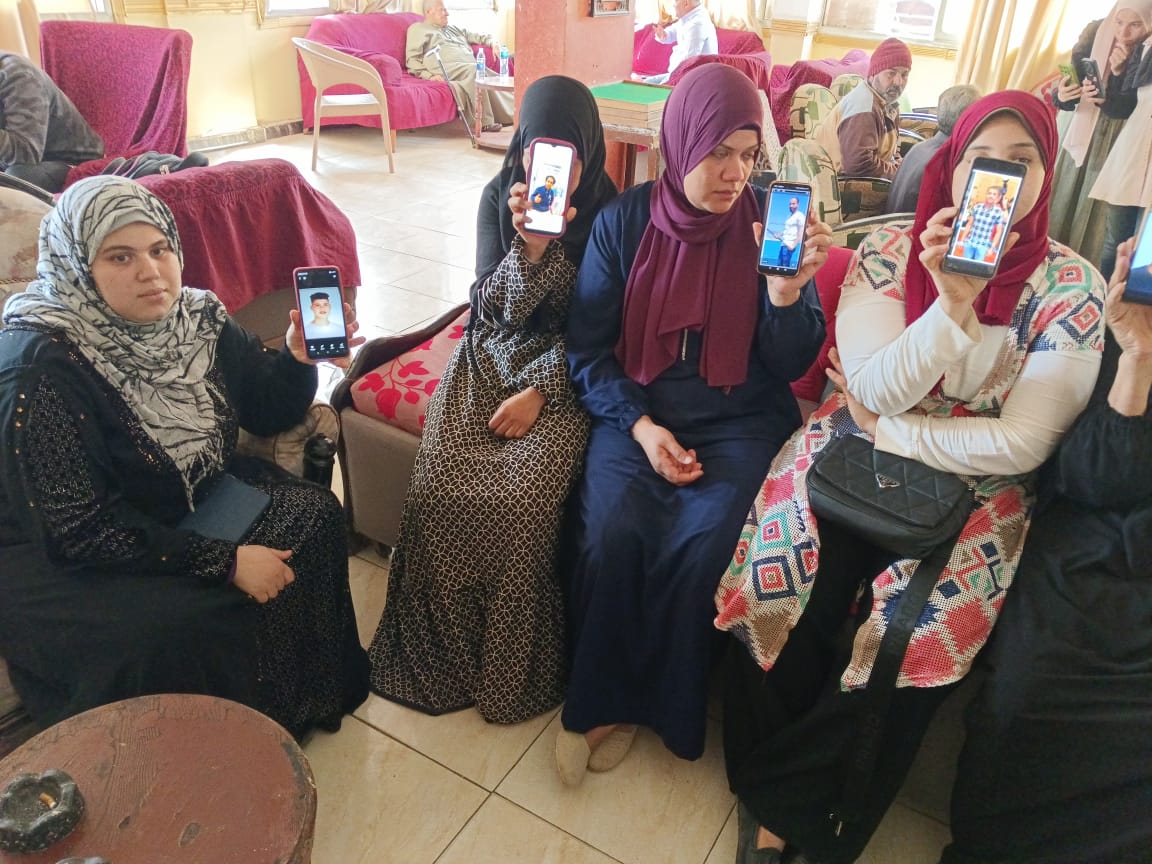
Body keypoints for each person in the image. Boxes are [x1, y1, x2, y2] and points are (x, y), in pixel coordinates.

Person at [714, 91, 1106, 864]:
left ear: (1047, 174)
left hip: (976, 486)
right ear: (952, 166)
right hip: (849, 449)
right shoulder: (891, 249)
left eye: (1021, 161)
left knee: (917, 630)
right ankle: (775, 783)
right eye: (981, 159)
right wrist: (950, 308)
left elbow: (1023, 443)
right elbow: (871, 383)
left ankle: (791, 800)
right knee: (782, 568)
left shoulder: (1073, 288)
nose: (1000, 178)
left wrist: (892, 429)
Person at [0, 175, 370, 739]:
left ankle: (295, 709)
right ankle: (213, 750)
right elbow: (78, 530)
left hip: (174, 499)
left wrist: (297, 358)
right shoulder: (38, 367)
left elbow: (265, 409)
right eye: (120, 256)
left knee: (313, 517)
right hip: (65, 552)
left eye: (159, 249)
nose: (151, 272)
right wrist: (226, 563)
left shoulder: (194, 318)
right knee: (183, 626)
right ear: (78, 266)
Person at [556, 63, 830, 785]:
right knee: (610, 531)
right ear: (680, 145)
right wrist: (641, 428)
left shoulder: (770, 225)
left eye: (748, 154)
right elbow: (588, 352)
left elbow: (792, 363)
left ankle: (663, 706)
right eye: (718, 153)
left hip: (741, 418)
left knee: (705, 544)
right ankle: (603, 700)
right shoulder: (623, 223)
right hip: (639, 410)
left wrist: (785, 297)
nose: (736, 173)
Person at [367, 77, 617, 725]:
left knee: (522, 501)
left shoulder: (610, 216)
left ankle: (508, 670)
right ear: (524, 148)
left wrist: (544, 391)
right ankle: (448, 654)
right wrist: (529, 247)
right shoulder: (496, 197)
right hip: (489, 356)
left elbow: (605, 329)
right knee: (437, 485)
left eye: (569, 157)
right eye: (540, 153)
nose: (555, 172)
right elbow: (485, 309)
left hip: (568, 369)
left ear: (589, 153)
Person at [938, 239, 1152, 864]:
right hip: (1093, 548)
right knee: (1028, 692)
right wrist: (1138, 359)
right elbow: (1089, 478)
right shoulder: (1123, 322)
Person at [1048, 1, 1152, 275]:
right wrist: (1062, 94)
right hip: (1080, 129)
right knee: (1063, 201)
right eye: (1119, 22)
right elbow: (1070, 79)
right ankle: (1055, 272)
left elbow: (1131, 106)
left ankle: (1093, 281)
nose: (1124, 33)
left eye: (1135, 25)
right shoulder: (1095, 31)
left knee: (1098, 221)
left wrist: (1119, 72)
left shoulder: (1146, 49)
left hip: (1118, 136)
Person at [1090, 27, 1152, 279]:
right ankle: (1105, 299)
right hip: (1132, 149)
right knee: (1114, 242)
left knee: (1146, 249)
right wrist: (1117, 74)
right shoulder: (1146, 45)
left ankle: (1134, 301)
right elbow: (1124, 106)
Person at [0, 51, 103, 193]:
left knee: (15, 178)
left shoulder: (19, 75)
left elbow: (25, 155)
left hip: (73, 163)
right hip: (18, 162)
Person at [405, 0, 513, 134]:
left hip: (467, 66)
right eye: (442, 10)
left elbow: (479, 36)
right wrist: (429, 76)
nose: (447, 13)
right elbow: (412, 59)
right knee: (476, 71)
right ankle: (483, 122)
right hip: (443, 66)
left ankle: (515, 113)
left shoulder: (453, 29)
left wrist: (493, 43)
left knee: (492, 77)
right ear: (428, 12)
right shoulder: (418, 29)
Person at [813, 37, 911, 178]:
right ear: (873, 73)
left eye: (904, 74)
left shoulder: (887, 102)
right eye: (891, 73)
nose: (898, 82)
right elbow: (859, 165)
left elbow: (888, 151)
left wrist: (898, 162)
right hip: (839, 183)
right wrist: (899, 173)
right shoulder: (864, 108)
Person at [887, 84, 981, 213]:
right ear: (969, 120)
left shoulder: (919, 147)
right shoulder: (948, 163)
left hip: (892, 220)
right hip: (913, 224)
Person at [634, 0, 718, 85]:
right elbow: (673, 31)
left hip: (692, 80)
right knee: (641, 84)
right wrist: (664, 35)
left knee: (642, 86)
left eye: (675, 1)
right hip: (681, 75)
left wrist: (663, 84)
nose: (673, 5)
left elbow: (687, 63)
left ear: (686, 3)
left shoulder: (697, 24)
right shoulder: (690, 17)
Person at [956, 183, 1007, 261]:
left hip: (983, 245)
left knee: (977, 265)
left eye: (994, 194)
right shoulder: (977, 207)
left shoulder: (998, 212)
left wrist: (992, 248)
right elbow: (969, 224)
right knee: (964, 262)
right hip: (970, 242)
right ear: (986, 195)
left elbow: (998, 231)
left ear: (998, 197)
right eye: (989, 193)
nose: (991, 196)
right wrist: (962, 240)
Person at [775, 196, 805, 267]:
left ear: (798, 204)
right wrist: (779, 235)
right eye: (790, 204)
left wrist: (793, 245)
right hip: (783, 244)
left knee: (785, 266)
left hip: (789, 245)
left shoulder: (800, 215)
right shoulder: (789, 216)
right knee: (779, 265)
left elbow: (801, 232)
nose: (791, 206)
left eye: (793, 204)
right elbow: (786, 230)